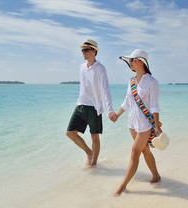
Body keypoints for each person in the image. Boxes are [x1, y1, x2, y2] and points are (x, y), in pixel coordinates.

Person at [114, 49, 162, 196]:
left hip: (145, 124)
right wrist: (117, 115)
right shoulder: (131, 81)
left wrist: (156, 124)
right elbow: (127, 102)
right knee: (145, 150)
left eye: (132, 60)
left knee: (135, 153)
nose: (129, 63)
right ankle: (156, 176)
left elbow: (154, 105)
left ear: (140, 62)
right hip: (132, 122)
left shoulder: (152, 82)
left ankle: (122, 187)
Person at [66, 39, 117, 167]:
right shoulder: (82, 67)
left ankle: (94, 164)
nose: (83, 52)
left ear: (94, 51)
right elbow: (83, 87)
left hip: (95, 107)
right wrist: (77, 103)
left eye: (86, 50)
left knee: (95, 137)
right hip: (81, 105)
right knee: (70, 133)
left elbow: (105, 89)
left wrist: (109, 110)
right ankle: (89, 152)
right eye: (82, 50)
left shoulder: (100, 68)